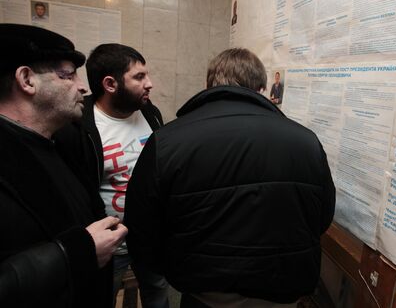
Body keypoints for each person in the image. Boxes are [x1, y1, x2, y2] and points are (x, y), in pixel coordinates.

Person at [125, 48, 336, 307]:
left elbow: (141, 225)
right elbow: (322, 215)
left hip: (204, 293)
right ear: (261, 88)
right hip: (282, 292)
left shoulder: (167, 140)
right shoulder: (306, 141)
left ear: (209, 85)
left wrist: (171, 266)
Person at [0, 23, 127, 308]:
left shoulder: (62, 141)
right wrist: (76, 252)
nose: (82, 86)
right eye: (68, 75)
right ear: (27, 80)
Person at [53, 43, 169, 308]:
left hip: (148, 238)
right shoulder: (78, 125)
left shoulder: (150, 113)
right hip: (109, 245)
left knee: (157, 293)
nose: (149, 84)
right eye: (139, 77)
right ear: (110, 84)